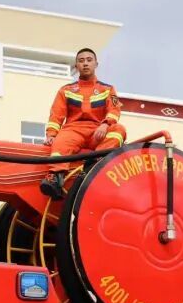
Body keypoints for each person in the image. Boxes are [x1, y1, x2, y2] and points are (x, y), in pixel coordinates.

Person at [40, 48, 127, 198]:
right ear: (76, 66)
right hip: (73, 130)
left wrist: (106, 124)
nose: (85, 63)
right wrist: (51, 135)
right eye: (81, 61)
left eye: (89, 60)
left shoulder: (108, 89)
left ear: (96, 64)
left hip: (98, 131)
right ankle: (55, 178)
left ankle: (94, 165)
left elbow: (114, 110)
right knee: (60, 142)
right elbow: (56, 114)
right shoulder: (65, 90)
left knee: (119, 130)